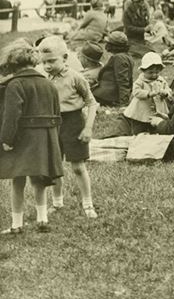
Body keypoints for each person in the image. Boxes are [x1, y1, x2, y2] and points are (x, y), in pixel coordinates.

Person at [0, 40, 63, 234]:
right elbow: (57, 115)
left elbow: (11, 117)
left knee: (17, 180)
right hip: (45, 137)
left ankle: (17, 225)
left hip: (22, 138)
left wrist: (6, 140)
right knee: (40, 180)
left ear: (13, 63)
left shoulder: (15, 84)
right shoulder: (48, 83)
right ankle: (42, 219)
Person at [36, 37, 98, 219]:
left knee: (78, 166)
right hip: (51, 124)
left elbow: (92, 103)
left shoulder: (76, 77)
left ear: (64, 58)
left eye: (52, 61)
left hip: (74, 123)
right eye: (44, 62)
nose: (47, 66)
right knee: (54, 167)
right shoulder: (42, 77)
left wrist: (88, 129)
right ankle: (57, 202)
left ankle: (88, 204)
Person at [120, 52, 172, 135]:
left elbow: (168, 89)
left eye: (157, 72)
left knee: (155, 125)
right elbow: (136, 91)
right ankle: (139, 135)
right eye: (150, 72)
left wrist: (165, 93)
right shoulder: (140, 81)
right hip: (142, 109)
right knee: (140, 126)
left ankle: (154, 135)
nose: (154, 75)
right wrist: (148, 94)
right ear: (143, 71)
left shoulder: (161, 80)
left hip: (158, 108)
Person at [91, 31, 134, 107]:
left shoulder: (119, 58)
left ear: (112, 45)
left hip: (108, 95)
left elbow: (123, 81)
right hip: (109, 93)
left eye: (108, 43)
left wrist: (123, 104)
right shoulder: (127, 56)